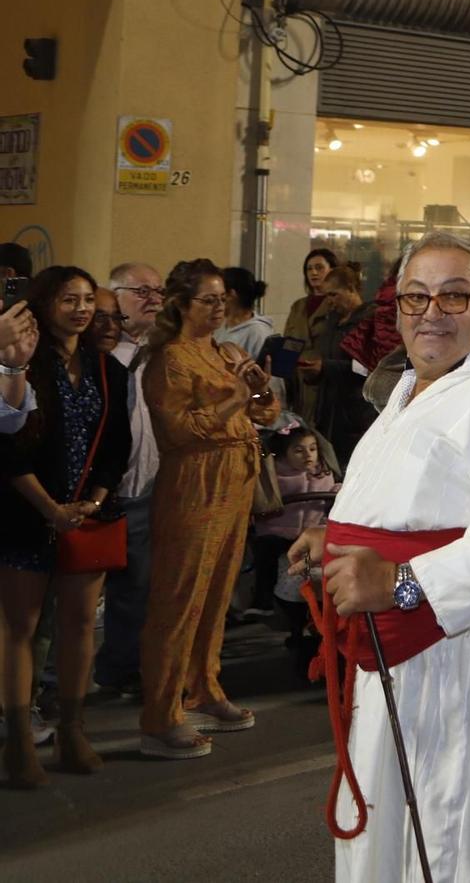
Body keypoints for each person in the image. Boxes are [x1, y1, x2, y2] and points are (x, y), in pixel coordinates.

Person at [291, 231, 470, 881]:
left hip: (468, 648)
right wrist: (335, 542)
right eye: (415, 297)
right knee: (380, 837)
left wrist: (401, 582)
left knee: (450, 841)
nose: (431, 312)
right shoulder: (412, 387)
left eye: (454, 295)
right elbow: (408, 501)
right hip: (390, 642)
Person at [139, 258, 280, 760]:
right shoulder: (170, 360)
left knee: (219, 591)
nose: (220, 307)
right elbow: (181, 430)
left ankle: (205, 687)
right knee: (180, 597)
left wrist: (257, 387)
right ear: (182, 304)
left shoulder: (223, 350)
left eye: (223, 299)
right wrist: (236, 398)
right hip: (194, 480)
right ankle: (159, 713)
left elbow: (266, 411)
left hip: (235, 477)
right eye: (209, 300)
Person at [1, 269, 133, 786]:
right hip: (24, 511)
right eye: (69, 300)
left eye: (88, 301)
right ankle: (16, 742)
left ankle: (72, 730)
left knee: (80, 625)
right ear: (42, 304)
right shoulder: (21, 364)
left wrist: (93, 500)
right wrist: (49, 507)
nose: (82, 310)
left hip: (87, 514)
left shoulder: (107, 369)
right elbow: (9, 446)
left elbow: (116, 445)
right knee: (20, 629)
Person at [95, 261, 164, 696]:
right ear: (115, 296)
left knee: (135, 589)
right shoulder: (99, 354)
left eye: (159, 291)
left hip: (143, 490)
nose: (154, 299)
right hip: (94, 492)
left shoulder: (161, 351)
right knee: (69, 602)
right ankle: (44, 688)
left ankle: (119, 670)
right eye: (143, 291)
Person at [249, 419, 338, 621]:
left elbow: (330, 495)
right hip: (278, 531)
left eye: (313, 449)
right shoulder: (275, 475)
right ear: (284, 454)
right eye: (299, 451)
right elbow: (265, 498)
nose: (308, 455)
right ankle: (263, 601)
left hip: (311, 533)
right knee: (266, 554)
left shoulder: (323, 473)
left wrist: (338, 491)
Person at [310, 265, 376, 468]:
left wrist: (327, 368)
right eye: (327, 295)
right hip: (330, 411)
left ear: (351, 289)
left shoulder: (369, 321)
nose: (329, 301)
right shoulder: (333, 322)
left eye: (334, 295)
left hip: (356, 413)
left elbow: (368, 366)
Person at [281, 248, 339, 423]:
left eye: (319, 267)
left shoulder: (336, 305)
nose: (313, 273)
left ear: (332, 270)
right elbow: (288, 344)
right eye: (309, 269)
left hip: (327, 384)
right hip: (299, 385)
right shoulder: (298, 306)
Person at [215, 267, 275, 361]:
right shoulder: (220, 326)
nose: (216, 302)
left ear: (231, 294)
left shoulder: (258, 332)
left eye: (219, 294)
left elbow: (267, 372)